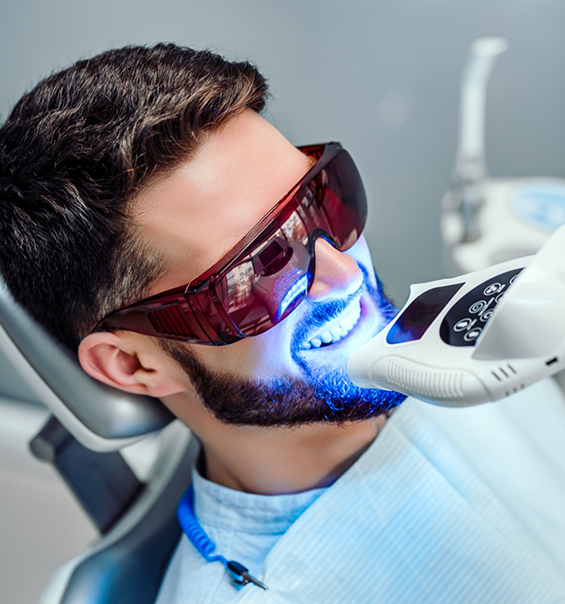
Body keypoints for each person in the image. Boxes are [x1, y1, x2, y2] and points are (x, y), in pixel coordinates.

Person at [1, 43, 565, 603]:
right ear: (134, 363)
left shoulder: (461, 335)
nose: (345, 275)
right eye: (261, 267)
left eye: (320, 201)